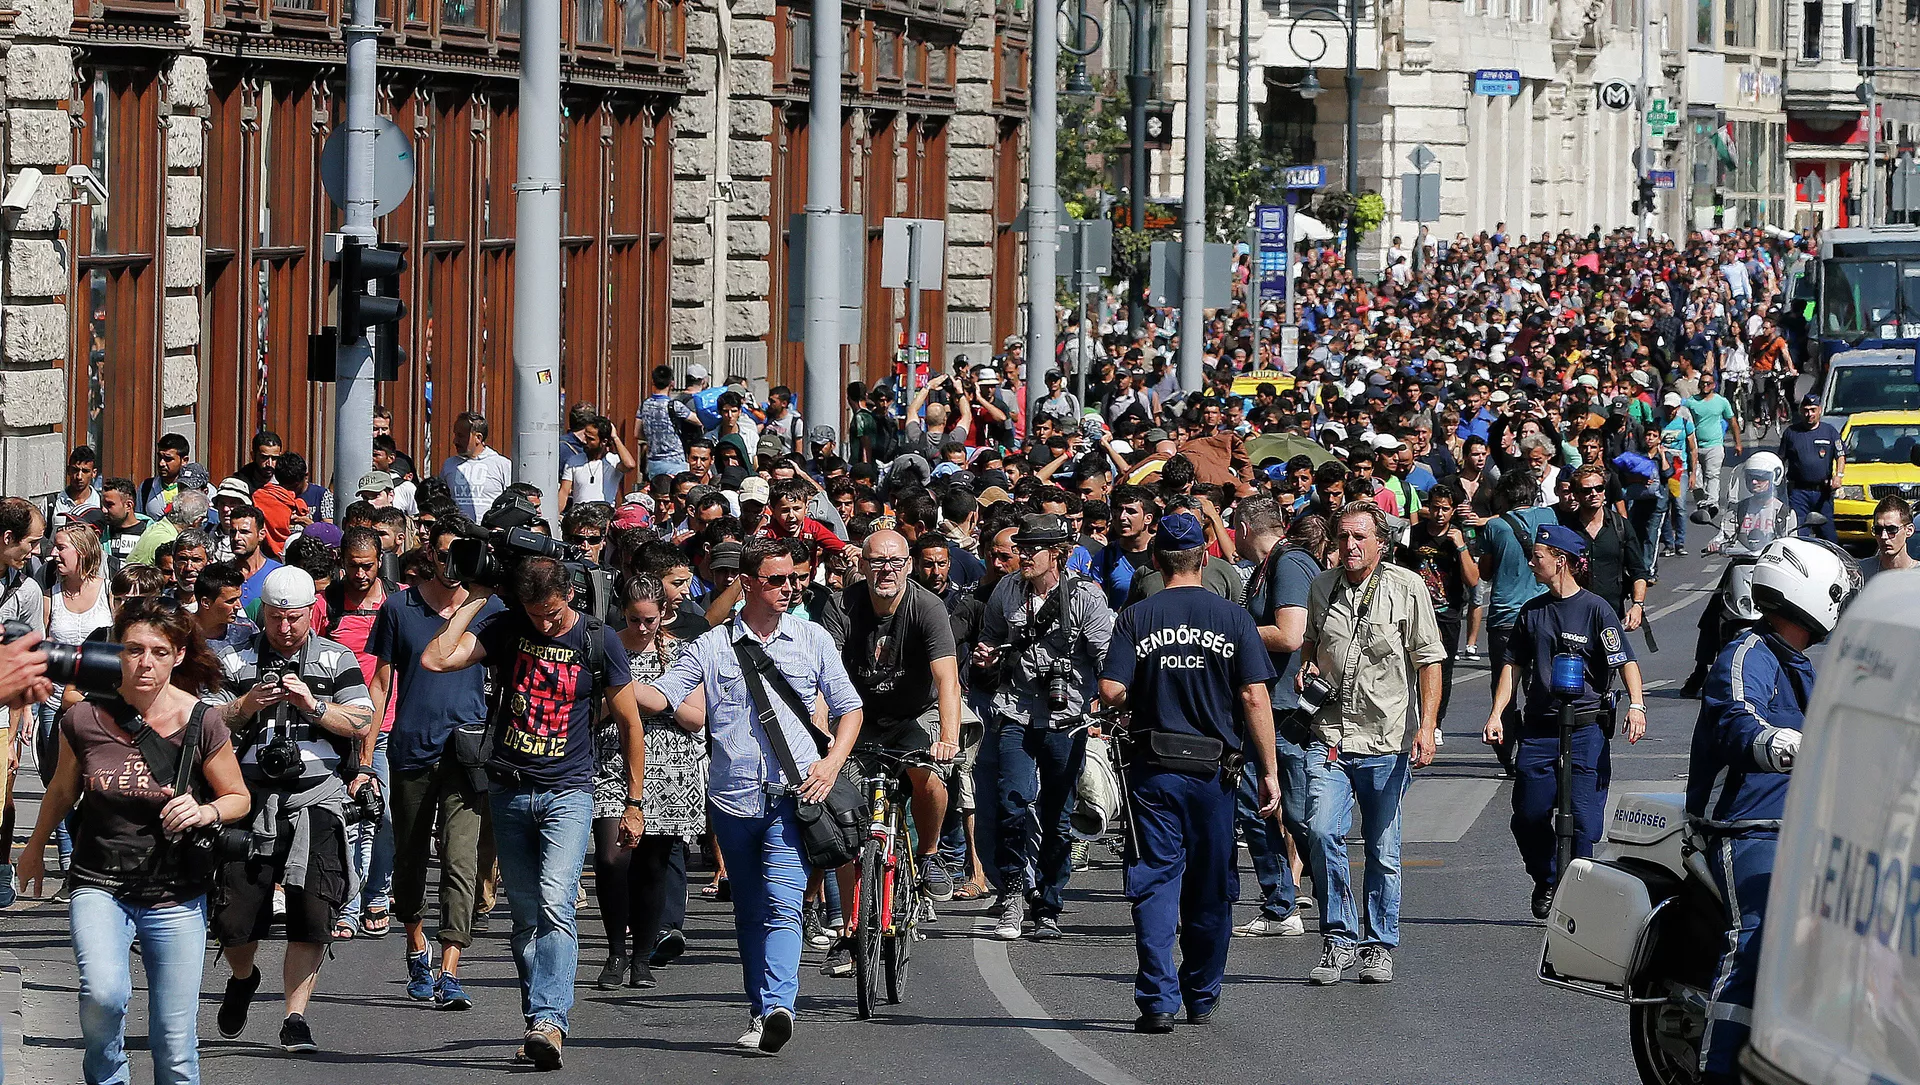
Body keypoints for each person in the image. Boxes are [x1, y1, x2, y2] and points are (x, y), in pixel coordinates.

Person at [631, 538, 864, 1056]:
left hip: (794, 798)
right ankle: (760, 1009)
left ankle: (780, 1005)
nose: (790, 588)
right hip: (732, 801)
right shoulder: (711, 645)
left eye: (794, 579)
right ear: (748, 583)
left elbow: (850, 708)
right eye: (777, 580)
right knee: (750, 910)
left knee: (784, 904)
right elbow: (662, 696)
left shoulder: (812, 639)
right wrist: (609, 671)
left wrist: (830, 764)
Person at [420, 555, 644, 1071]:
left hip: (569, 790)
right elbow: (437, 658)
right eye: (535, 613)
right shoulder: (506, 627)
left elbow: (630, 722)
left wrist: (634, 804)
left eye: (553, 613)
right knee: (524, 917)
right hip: (509, 789)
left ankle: (550, 1021)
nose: (544, 623)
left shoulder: (597, 639)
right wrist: (476, 598)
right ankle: (536, 1021)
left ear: (571, 595)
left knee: (556, 902)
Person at [16, 599, 250, 1085]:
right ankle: (108, 1076)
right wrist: (34, 848)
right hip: (99, 883)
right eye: (134, 650)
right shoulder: (84, 717)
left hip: (176, 892)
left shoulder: (202, 721)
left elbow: (238, 797)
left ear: (178, 655)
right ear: (116, 651)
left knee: (175, 1043)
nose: (145, 663)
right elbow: (62, 789)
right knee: (103, 996)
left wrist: (205, 810)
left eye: (159, 652)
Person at [1098, 511, 1280, 1033]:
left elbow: (1110, 689)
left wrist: (1136, 700)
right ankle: (1201, 993)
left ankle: (1158, 1000)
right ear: (1204, 557)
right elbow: (1254, 695)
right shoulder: (1233, 617)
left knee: (1155, 881)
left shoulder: (1138, 615)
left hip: (1153, 769)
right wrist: (1269, 771)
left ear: (1157, 560)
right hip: (1214, 773)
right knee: (1211, 884)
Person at [1687, 536, 1858, 1083]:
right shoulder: (1745, 654)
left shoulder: (1801, 665)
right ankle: (1719, 1073)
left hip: (1806, 828)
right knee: (1757, 936)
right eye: (1837, 594)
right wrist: (1780, 744)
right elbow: (1737, 721)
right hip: (1747, 829)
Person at [208, 567, 377, 1056]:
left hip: (316, 799)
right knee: (234, 918)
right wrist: (244, 706)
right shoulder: (234, 657)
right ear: (263, 613)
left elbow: (362, 719)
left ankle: (294, 1018)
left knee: (312, 913)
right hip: (246, 799)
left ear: (312, 613)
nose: (284, 628)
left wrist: (314, 706)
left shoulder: (336, 658)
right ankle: (244, 976)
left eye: (294, 619)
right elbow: (201, 720)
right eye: (275, 618)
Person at [1297, 501, 1447, 985]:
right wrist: (1308, 665)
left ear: (1381, 542)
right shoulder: (1322, 586)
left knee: (1383, 849)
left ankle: (1378, 944)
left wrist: (1426, 727)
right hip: (1330, 735)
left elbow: (1429, 660)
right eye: (1343, 536)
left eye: (1360, 537)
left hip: (1386, 738)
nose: (1350, 545)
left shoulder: (1407, 587)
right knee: (1322, 833)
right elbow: (1312, 640)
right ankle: (1339, 940)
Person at [1481, 523, 1648, 918]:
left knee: (1585, 824)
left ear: (1561, 561)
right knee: (1528, 815)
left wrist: (1637, 706)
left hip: (1586, 728)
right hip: (1540, 729)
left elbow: (1624, 661)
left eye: (1537, 557)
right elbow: (1512, 667)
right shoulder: (1532, 611)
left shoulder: (1595, 609)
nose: (1531, 563)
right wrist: (1497, 713)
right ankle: (1547, 878)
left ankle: (1577, 896)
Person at [369, 518, 502, 1010]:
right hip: (410, 749)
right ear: (429, 553)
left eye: (460, 556)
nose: (451, 565)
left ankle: (450, 968)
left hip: (467, 753)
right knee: (408, 857)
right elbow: (381, 684)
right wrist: (365, 756)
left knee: (460, 859)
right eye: (444, 554)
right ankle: (415, 945)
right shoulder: (399, 607)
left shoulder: (490, 608)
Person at [973, 513, 1114, 941]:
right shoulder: (1007, 589)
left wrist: (1106, 704)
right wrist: (987, 655)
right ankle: (1014, 892)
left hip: (1066, 717)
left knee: (1058, 815)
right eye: (1021, 548)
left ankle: (1048, 903)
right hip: (1015, 709)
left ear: (1058, 553)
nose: (1024, 556)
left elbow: (1105, 657)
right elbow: (990, 635)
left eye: (1033, 549)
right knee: (1011, 802)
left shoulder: (1086, 597)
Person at [594, 574, 703, 991]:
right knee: (612, 859)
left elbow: (696, 718)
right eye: (634, 620)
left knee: (652, 867)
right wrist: (623, 703)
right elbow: (592, 711)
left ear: (664, 613)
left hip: (669, 766)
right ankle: (614, 952)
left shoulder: (682, 652)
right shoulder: (607, 648)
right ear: (623, 613)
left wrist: (639, 694)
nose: (642, 628)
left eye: (650, 620)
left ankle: (641, 958)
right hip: (613, 760)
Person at [1480, 469, 1555, 773]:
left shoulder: (1495, 526)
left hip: (1505, 617)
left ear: (1503, 496)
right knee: (1541, 684)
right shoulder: (1548, 516)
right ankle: (1539, 747)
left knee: (1504, 685)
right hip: (1542, 613)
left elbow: (1485, 572)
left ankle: (1507, 750)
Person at [1777, 392, 1843, 543]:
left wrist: (1839, 476)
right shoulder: (1791, 433)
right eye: (1806, 410)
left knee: (1828, 537)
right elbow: (1780, 460)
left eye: (1813, 410)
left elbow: (1840, 455)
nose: (1809, 414)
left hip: (1823, 493)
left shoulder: (1830, 431)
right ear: (1801, 411)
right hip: (1798, 493)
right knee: (1799, 535)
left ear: (1819, 410)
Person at [440, 411, 515, 521]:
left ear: (478, 438)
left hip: (489, 530)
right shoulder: (449, 465)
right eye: (455, 435)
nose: (455, 441)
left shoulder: (502, 465)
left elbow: (511, 503)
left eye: (460, 436)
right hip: (457, 530)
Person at [1685, 372, 1741, 518]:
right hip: (1695, 447)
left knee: (1712, 475)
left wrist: (1738, 443)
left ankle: (1712, 504)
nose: (1705, 385)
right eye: (1703, 383)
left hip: (1715, 445)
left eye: (1708, 383)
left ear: (1714, 385)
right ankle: (1701, 504)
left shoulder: (1721, 402)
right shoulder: (1691, 402)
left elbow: (1732, 422)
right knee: (1696, 480)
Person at [1858, 495, 1919, 581]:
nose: (1884, 536)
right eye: (1878, 530)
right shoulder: (1861, 572)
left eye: (1892, 529)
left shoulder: (1917, 575)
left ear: (1909, 530)